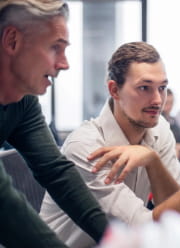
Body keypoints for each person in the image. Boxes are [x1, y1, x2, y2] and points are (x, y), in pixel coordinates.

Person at [40, 41, 180, 248]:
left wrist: (152, 160)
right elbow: (149, 228)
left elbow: (176, 216)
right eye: (144, 88)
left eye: (162, 88)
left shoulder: (158, 128)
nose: (157, 100)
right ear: (114, 90)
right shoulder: (87, 147)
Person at [0, 1, 110, 247]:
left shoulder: (23, 102)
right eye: (54, 48)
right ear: (12, 41)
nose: (64, 63)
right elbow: (4, 204)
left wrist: (111, 238)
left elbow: (56, 171)